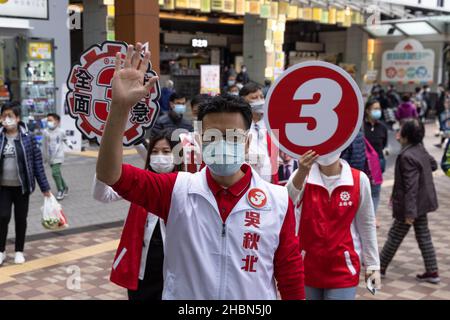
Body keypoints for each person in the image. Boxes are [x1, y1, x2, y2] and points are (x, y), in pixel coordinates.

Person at [96, 42, 304, 300]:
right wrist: (119, 108)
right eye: (213, 137)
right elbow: (110, 174)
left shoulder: (277, 200)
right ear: (199, 140)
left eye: (232, 136)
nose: (222, 144)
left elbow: (290, 272)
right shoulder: (175, 190)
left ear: (248, 142)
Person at [93, 129, 178, 300]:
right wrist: (104, 162)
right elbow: (102, 195)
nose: (159, 157)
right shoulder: (142, 183)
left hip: (174, 273)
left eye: (166, 152)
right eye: (154, 152)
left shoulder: (188, 184)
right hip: (142, 272)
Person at [286, 151, 381, 300]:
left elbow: (367, 224)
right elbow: (284, 206)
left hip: (344, 269)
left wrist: (372, 267)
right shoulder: (303, 175)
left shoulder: (358, 179)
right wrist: (302, 172)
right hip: (307, 267)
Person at [380, 119, 440, 284]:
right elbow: (433, 165)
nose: (398, 134)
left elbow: (411, 187)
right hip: (422, 203)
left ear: (405, 136)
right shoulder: (419, 149)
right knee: (423, 235)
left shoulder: (406, 156)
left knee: (394, 235)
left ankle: (378, 268)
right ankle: (432, 271)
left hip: (410, 206)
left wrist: (409, 213)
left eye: (400, 131)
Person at [0, 102, 51, 266]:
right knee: (2, 217)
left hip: (22, 188)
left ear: (17, 118)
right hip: (3, 188)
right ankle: (1, 251)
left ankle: (19, 251)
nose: (7, 119)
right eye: (4, 116)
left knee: (21, 219)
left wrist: (45, 188)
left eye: (10, 116)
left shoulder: (28, 138)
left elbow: (37, 164)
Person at [240, 83, 278, 183]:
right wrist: (251, 158)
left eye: (261, 97)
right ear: (243, 100)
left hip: (268, 181)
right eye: (254, 97)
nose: (260, 100)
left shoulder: (269, 125)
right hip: (246, 180)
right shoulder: (238, 125)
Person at [363, 99, 388, 214]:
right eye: (375, 109)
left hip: (378, 162)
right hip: (363, 163)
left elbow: (383, 144)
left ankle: (371, 216)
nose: (378, 111)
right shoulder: (361, 126)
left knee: (375, 191)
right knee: (362, 190)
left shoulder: (382, 127)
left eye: (379, 109)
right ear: (368, 110)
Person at [42, 113, 72, 201]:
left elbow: (65, 139)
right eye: (48, 120)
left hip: (58, 155)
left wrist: (70, 144)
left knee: (55, 173)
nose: (49, 122)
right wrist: (44, 158)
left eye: (51, 120)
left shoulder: (61, 131)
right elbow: (44, 145)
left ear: (57, 121)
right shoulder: (45, 132)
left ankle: (60, 190)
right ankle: (65, 187)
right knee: (57, 173)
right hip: (50, 156)